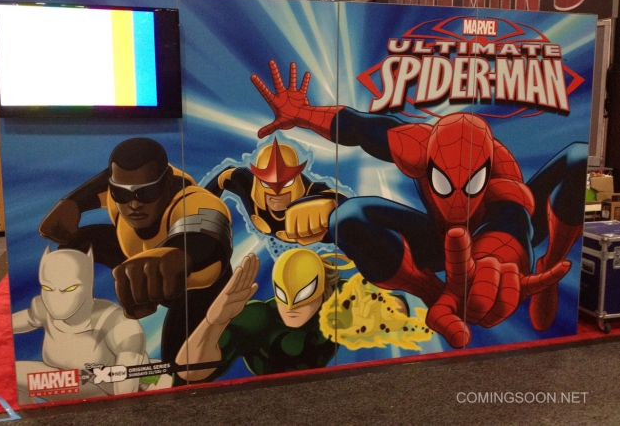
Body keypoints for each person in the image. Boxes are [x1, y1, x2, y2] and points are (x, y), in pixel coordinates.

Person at [248, 60, 585, 348]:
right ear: (428, 161)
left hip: (497, 232)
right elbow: (355, 127)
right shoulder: (415, 146)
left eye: (471, 185)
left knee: (579, 157)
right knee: (346, 217)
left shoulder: (502, 171)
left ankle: (552, 263)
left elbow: (510, 220)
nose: (456, 201)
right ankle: (429, 290)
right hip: (439, 240)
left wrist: (493, 263)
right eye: (443, 183)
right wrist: (302, 114)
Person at [38, 137, 233, 364]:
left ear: (165, 182)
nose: (134, 204)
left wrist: (171, 256)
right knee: (77, 244)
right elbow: (109, 180)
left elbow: (208, 234)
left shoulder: (190, 199)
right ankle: (71, 326)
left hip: (191, 285)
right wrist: (73, 202)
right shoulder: (117, 191)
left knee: (179, 361)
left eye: (147, 192)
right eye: (121, 193)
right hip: (135, 263)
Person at [175, 248, 418, 383]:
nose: (291, 306)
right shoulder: (260, 319)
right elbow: (188, 371)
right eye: (283, 295)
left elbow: (398, 309)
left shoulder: (338, 299)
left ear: (322, 289)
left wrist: (379, 313)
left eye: (305, 295)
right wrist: (213, 322)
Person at [13, 247, 148, 402]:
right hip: (70, 381)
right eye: (47, 288)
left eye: (69, 288)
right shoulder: (42, 309)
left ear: (89, 284)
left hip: (109, 388)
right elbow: (13, 322)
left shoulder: (116, 321)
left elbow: (127, 385)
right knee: (9, 374)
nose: (55, 298)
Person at [205, 138, 346, 245]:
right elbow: (225, 176)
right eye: (267, 183)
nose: (277, 192)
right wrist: (200, 213)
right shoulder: (246, 182)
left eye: (287, 183)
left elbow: (344, 203)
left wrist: (333, 206)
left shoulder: (312, 192)